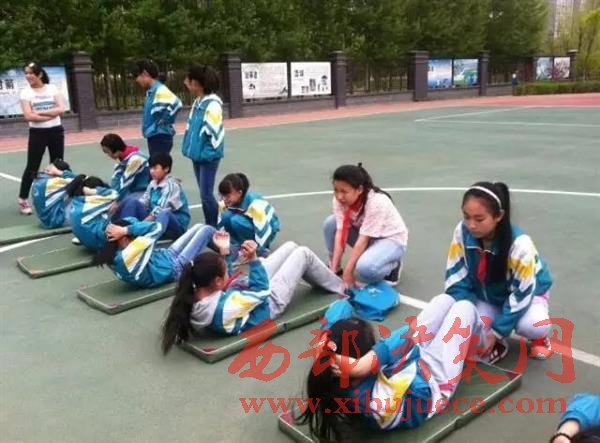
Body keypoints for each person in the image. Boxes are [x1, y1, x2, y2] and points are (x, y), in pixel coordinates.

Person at [298, 291, 485, 440]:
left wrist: (323, 344)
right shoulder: (375, 403)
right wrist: (366, 363)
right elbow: (407, 337)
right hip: (432, 382)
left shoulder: (332, 368)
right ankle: (481, 351)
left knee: (444, 300)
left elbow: (340, 306)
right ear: (366, 356)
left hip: (407, 360)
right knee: (464, 308)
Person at [160, 240, 344, 353]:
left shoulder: (195, 294)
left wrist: (225, 254)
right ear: (217, 281)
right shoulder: (225, 307)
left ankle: (319, 276)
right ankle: (341, 287)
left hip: (244, 295)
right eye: (225, 272)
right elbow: (262, 292)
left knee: (291, 247)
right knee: (303, 253)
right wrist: (254, 261)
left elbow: (225, 284)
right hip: (269, 303)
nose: (228, 273)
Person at [443, 181, 553, 364]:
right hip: (488, 297)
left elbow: (522, 294)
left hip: (526, 296)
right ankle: (500, 344)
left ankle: (539, 338)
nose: (471, 225)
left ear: (499, 216)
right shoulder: (462, 232)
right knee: (466, 329)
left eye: (479, 219)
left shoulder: (520, 245)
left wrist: (495, 332)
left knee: (532, 325)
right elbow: (456, 277)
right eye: (466, 217)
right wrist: (466, 314)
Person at [323, 163, 408, 287]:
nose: (339, 196)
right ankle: (334, 266)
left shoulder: (376, 202)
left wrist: (348, 272)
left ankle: (393, 266)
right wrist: (333, 270)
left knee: (366, 268)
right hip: (368, 236)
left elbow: (363, 240)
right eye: (336, 190)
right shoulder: (339, 200)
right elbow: (340, 233)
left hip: (391, 240)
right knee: (331, 223)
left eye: (344, 191)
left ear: (359, 190)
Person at [93, 214, 215, 289]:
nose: (136, 238)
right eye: (133, 237)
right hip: (176, 267)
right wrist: (125, 230)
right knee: (207, 229)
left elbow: (132, 220)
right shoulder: (128, 254)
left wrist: (122, 229)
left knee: (198, 226)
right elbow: (157, 227)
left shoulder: (113, 251)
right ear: (124, 239)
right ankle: (225, 250)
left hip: (164, 258)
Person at [18, 62, 66, 215]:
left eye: (31, 73)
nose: (28, 76)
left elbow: (62, 109)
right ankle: (23, 199)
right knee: (32, 166)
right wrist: (51, 114)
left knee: (57, 164)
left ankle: (56, 197)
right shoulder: (25, 93)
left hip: (56, 131)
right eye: (26, 73)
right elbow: (28, 116)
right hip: (37, 133)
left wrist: (38, 114)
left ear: (39, 74)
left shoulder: (52, 88)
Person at [181, 64, 224, 227]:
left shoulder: (212, 105)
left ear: (197, 83)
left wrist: (206, 153)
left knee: (206, 194)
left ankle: (215, 226)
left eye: (188, 79)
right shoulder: (198, 103)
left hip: (207, 157)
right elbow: (191, 128)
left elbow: (215, 134)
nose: (185, 81)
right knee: (204, 193)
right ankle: (210, 225)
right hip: (198, 155)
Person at [116, 153, 190, 239]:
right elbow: (143, 202)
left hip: (174, 226)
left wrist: (139, 226)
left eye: (155, 168)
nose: (151, 171)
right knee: (132, 201)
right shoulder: (152, 183)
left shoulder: (172, 186)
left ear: (166, 169)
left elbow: (159, 210)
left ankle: (133, 234)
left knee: (164, 213)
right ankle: (122, 229)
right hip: (156, 222)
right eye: (150, 168)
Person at [218, 172, 280, 262]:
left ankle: (259, 251)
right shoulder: (224, 203)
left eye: (227, 196)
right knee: (226, 216)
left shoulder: (255, 205)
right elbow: (221, 227)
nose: (224, 199)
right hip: (249, 223)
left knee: (236, 221)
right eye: (222, 195)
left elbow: (263, 229)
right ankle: (236, 247)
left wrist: (259, 250)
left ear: (239, 193)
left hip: (269, 228)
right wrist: (224, 248)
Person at [131, 59, 182, 156]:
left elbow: (176, 103)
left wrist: (163, 121)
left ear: (145, 73)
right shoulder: (152, 91)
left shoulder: (159, 89)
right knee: (156, 164)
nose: (137, 80)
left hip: (160, 136)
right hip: (155, 136)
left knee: (158, 165)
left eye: (137, 76)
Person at [67, 175, 117, 251]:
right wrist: (94, 191)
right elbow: (116, 194)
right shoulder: (92, 203)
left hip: (86, 239)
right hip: (100, 243)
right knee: (121, 207)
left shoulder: (76, 200)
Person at [100, 133, 150, 203]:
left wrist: (116, 202)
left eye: (107, 152)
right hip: (135, 190)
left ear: (116, 151)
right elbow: (116, 183)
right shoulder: (124, 160)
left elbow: (123, 185)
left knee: (118, 203)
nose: (108, 155)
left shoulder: (136, 160)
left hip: (144, 192)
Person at [31, 159, 76, 228]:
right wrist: (61, 173)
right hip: (57, 220)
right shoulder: (55, 182)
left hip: (45, 220)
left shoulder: (38, 180)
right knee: (79, 191)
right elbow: (83, 179)